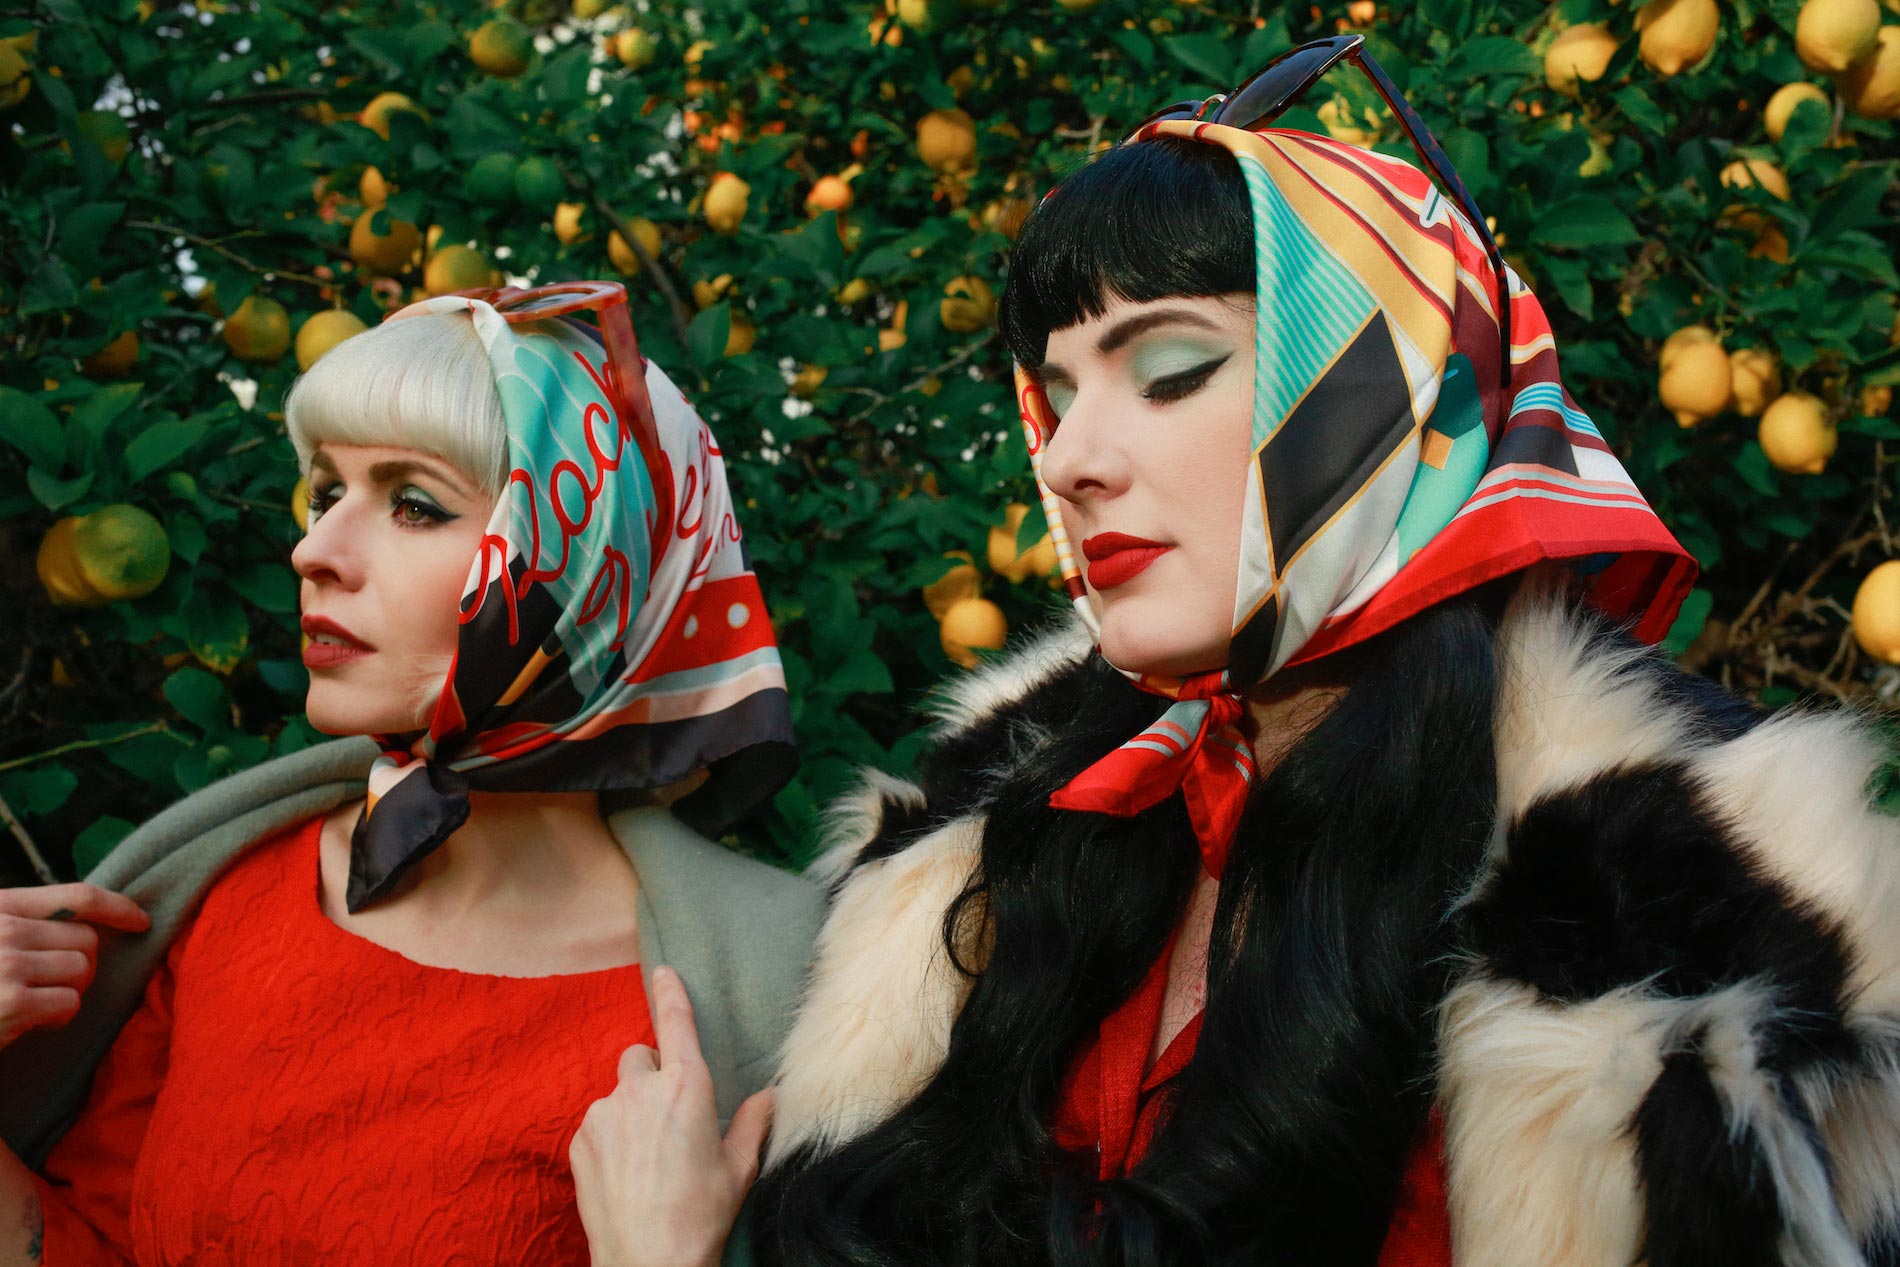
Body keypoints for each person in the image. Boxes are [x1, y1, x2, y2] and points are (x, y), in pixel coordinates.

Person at [746, 37, 1900, 1267]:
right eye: (1053, 390)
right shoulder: (995, 822)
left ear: (1375, 397)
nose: (1070, 457)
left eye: (1170, 369)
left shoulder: (1686, 902)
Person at [0, 281, 819, 1266]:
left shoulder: (776, 999)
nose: (313, 550)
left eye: (415, 503)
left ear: (581, 561)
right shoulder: (236, 890)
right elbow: (94, 1243)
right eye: (325, 492)